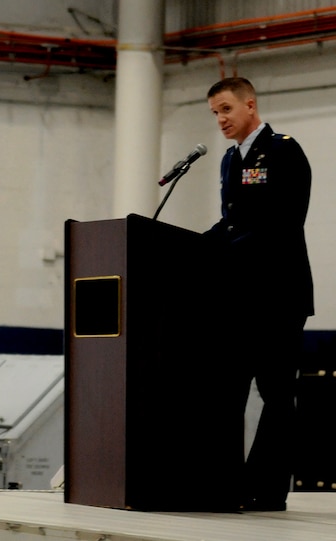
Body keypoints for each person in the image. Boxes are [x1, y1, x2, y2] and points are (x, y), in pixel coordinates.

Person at [204, 77, 313, 512]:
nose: (221, 120)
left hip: (278, 296)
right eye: (214, 113)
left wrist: (223, 247)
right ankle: (227, 483)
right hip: (239, 298)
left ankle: (267, 489)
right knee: (227, 390)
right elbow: (230, 222)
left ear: (250, 105)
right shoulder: (230, 160)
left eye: (226, 109)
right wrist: (194, 245)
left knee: (275, 394)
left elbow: (284, 223)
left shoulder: (284, 150)